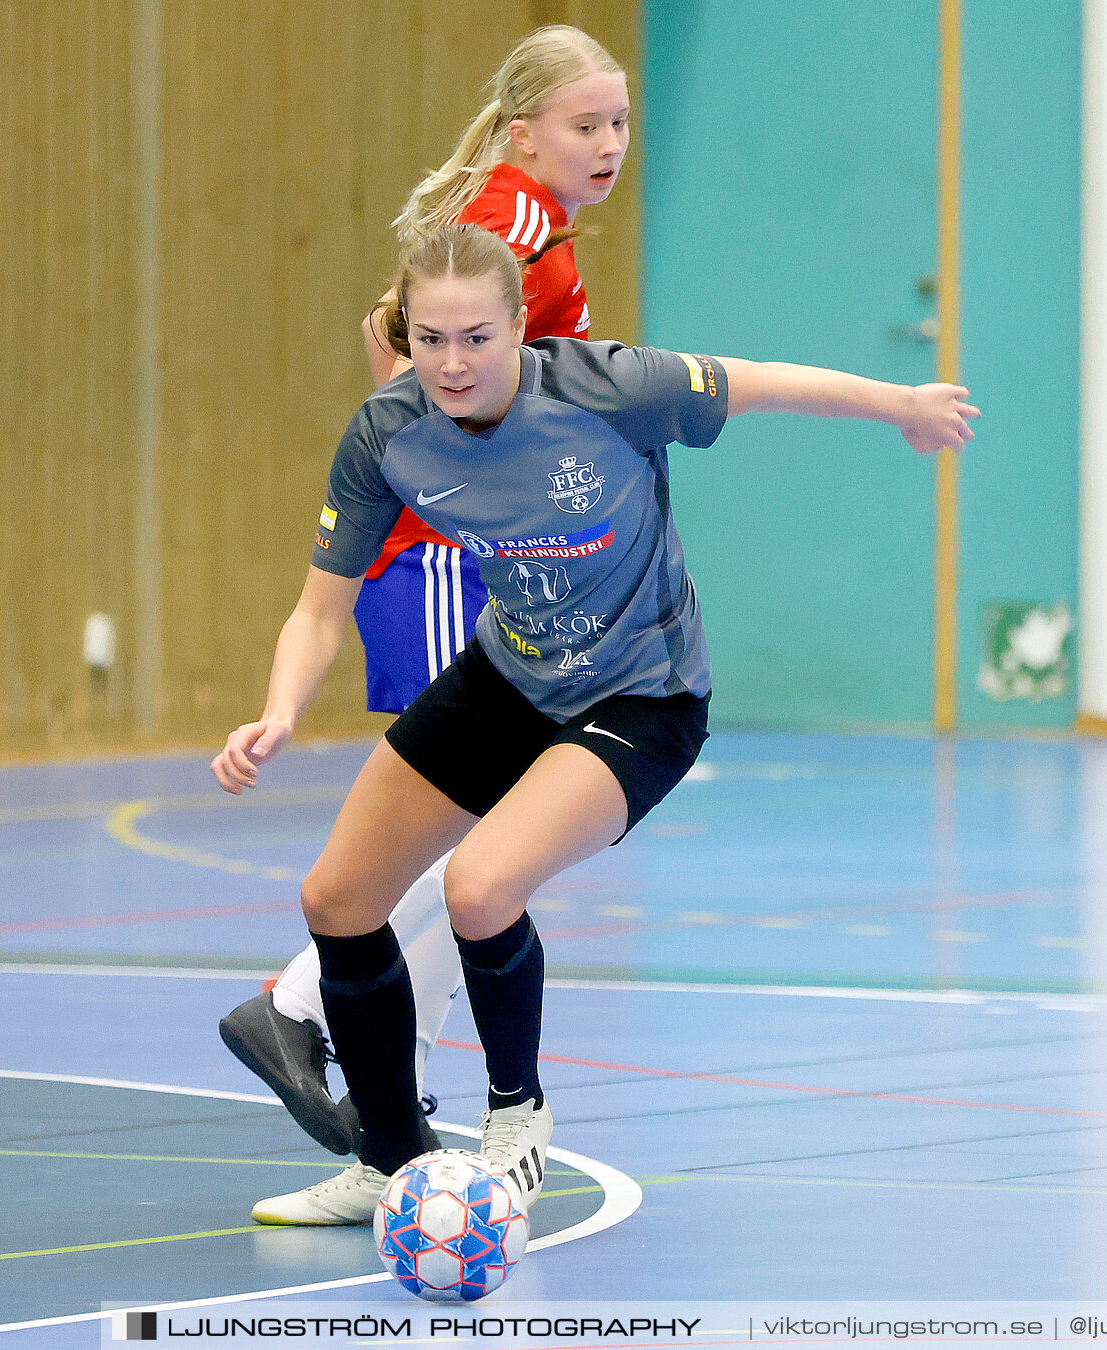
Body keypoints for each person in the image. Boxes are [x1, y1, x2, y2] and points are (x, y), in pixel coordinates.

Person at [211, 223, 978, 1224]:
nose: (453, 362)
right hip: (512, 671)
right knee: (339, 895)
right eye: (431, 338)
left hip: (642, 694)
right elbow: (320, 607)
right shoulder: (386, 434)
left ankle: (516, 1116)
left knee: (482, 887)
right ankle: (393, 1163)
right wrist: (277, 711)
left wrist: (903, 406)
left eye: (477, 338)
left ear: (521, 328)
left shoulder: (607, 387)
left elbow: (761, 381)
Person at [215, 24, 631, 1188]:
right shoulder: (509, 224)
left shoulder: (527, 221)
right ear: (522, 133)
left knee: (485, 863)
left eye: (618, 123)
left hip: (479, 556)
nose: (607, 145)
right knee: (482, 858)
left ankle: (375, 1118)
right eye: (583, 124)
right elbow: (404, 364)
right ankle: (307, 1018)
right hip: (454, 563)